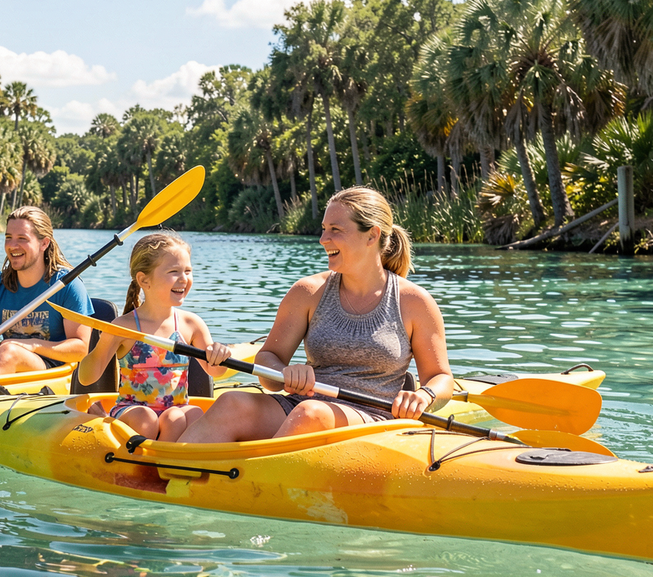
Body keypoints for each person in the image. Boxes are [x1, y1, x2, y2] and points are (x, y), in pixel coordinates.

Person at [177, 187, 451, 443]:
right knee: (232, 403)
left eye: (335, 230)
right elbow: (268, 360)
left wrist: (425, 394)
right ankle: (172, 472)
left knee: (311, 415)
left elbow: (441, 378)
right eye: (323, 229)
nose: (323, 239)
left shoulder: (414, 302)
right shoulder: (307, 292)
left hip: (373, 419)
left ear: (372, 235)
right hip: (302, 407)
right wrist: (284, 373)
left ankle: (252, 476)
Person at [78, 233, 232, 441]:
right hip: (133, 411)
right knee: (147, 418)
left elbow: (216, 371)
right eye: (174, 272)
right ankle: (141, 446)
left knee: (190, 414)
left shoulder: (191, 324)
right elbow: (86, 378)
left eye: (188, 271)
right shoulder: (125, 326)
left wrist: (220, 355)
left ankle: (165, 456)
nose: (184, 279)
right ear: (144, 280)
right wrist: (105, 341)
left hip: (176, 410)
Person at [0, 206, 91, 375]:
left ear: (44, 243)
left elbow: (81, 348)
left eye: (22, 238)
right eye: (8, 237)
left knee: (8, 352)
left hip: (50, 371)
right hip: (4, 363)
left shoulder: (67, 285)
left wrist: (32, 345)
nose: (12, 245)